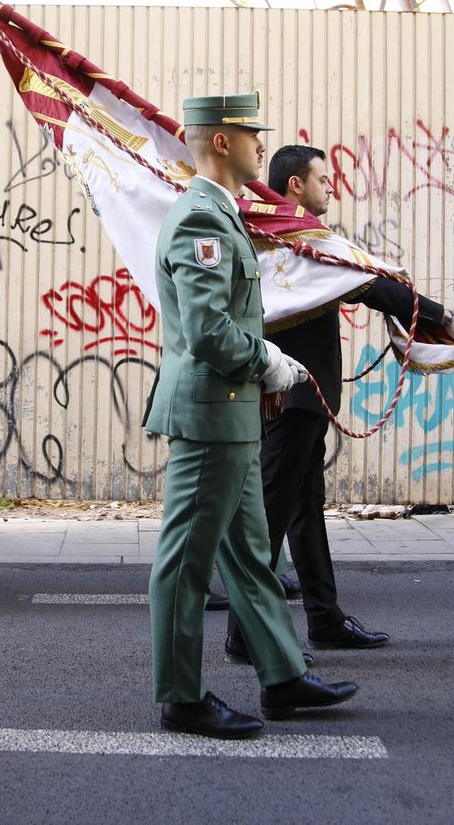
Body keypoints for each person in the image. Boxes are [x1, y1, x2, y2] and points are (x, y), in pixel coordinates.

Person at [145, 92, 358, 740]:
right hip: (210, 414)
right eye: (249, 134)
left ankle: (282, 676)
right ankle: (182, 697)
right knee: (185, 561)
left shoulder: (224, 213)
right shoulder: (200, 219)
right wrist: (266, 363)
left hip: (231, 413)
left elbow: (230, 317)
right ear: (219, 142)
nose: (261, 144)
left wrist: (261, 366)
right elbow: (210, 331)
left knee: (249, 557)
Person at [223, 144, 454, 662]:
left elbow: (360, 279)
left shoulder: (292, 237)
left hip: (304, 400)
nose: (331, 186)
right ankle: (246, 632)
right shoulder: (293, 239)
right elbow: (364, 283)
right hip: (291, 399)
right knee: (272, 515)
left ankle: (324, 617)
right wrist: (440, 316)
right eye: (322, 178)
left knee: (303, 511)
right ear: (296, 185)